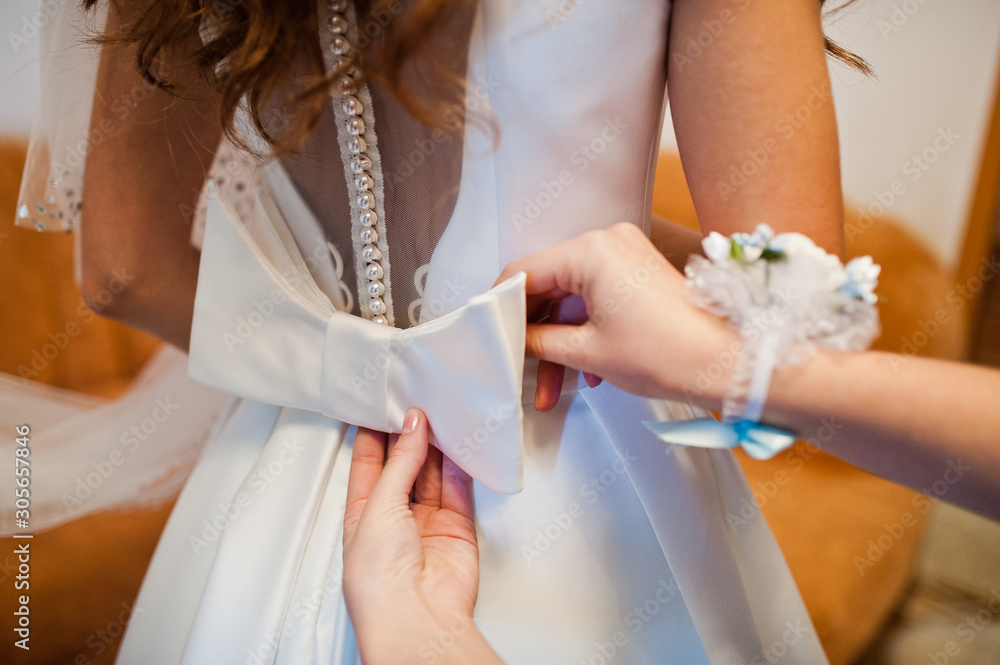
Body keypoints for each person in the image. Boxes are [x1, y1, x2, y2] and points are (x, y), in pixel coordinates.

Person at [14, 0, 867, 662]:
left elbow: (122, 269)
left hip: (290, 467)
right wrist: (605, 254)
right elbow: (786, 310)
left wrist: (347, 363)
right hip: (582, 460)